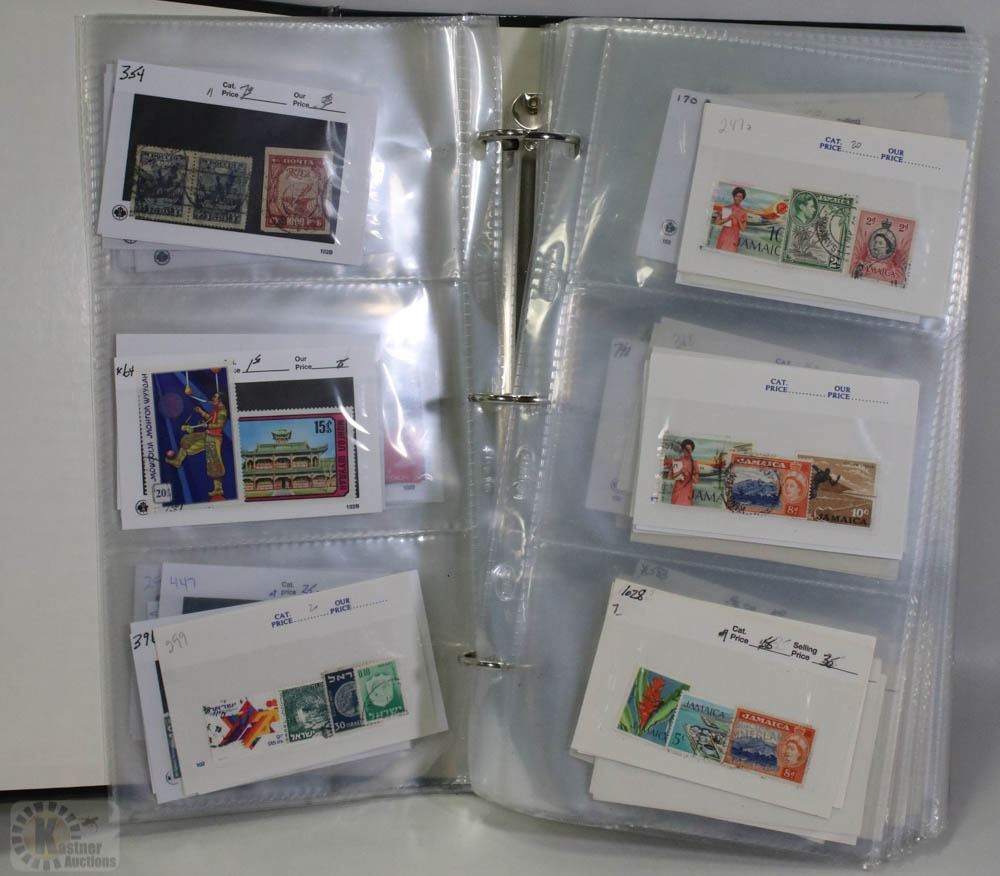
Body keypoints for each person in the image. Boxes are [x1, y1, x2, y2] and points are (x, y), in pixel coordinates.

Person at [165, 391, 229, 500]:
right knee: (188, 440)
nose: (213, 398)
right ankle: (178, 461)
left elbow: (219, 425)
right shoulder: (216, 409)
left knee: (214, 463)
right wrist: (201, 412)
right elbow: (210, 418)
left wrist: (207, 425)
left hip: (214, 439)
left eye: (215, 397)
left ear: (220, 401)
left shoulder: (222, 412)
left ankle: (218, 488)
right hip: (207, 435)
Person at [663, 438, 699, 506]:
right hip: (677, 491)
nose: (686, 451)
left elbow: (696, 481)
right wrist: (681, 472)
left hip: (687, 492)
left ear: (692, 450)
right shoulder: (677, 461)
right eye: (685, 449)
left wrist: (690, 475)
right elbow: (670, 477)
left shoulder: (694, 463)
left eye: (689, 449)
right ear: (682, 449)